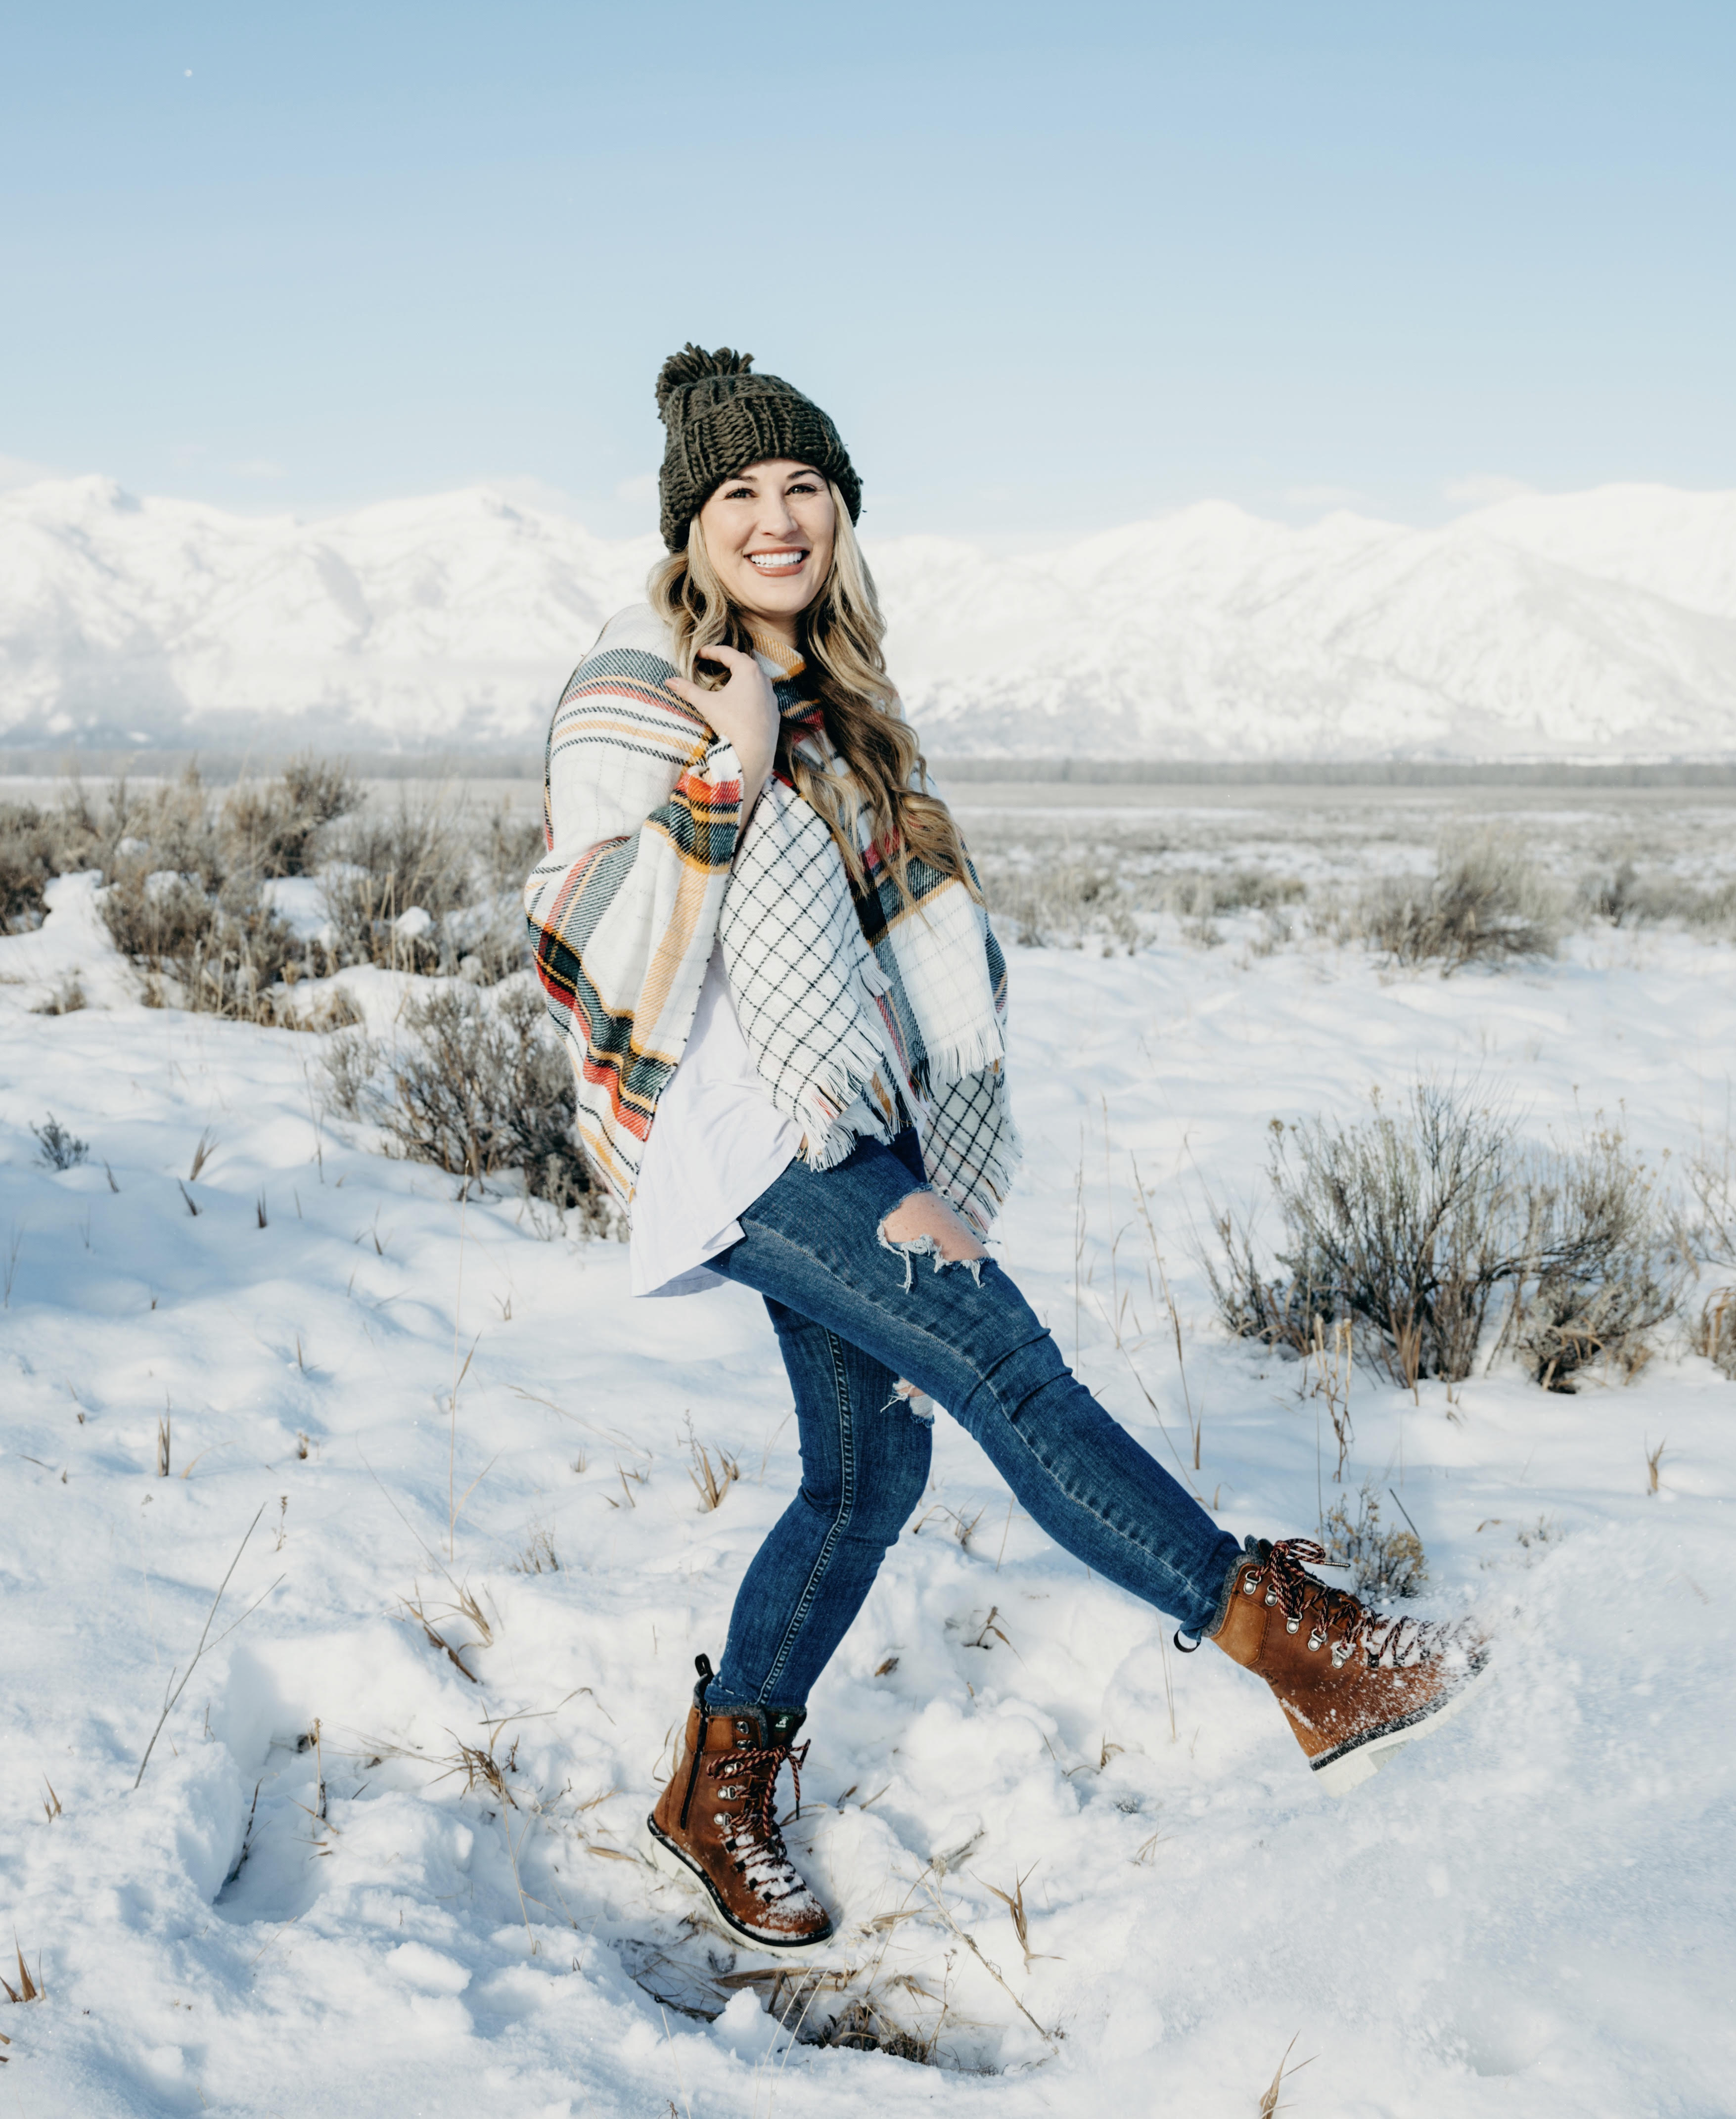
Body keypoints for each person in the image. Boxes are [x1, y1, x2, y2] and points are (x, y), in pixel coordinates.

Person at [525, 344, 1486, 1953]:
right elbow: (588, 934)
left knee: (867, 1470)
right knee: (1007, 1369)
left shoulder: (835, 701)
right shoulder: (651, 687)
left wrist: (910, 1122)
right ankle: (1301, 1654)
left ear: (841, 513)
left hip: (849, 1120)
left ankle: (718, 1787)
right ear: (685, 529)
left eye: (805, 488)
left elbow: (873, 949)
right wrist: (731, 767)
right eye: (740, 496)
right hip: (754, 1140)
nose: (777, 521)